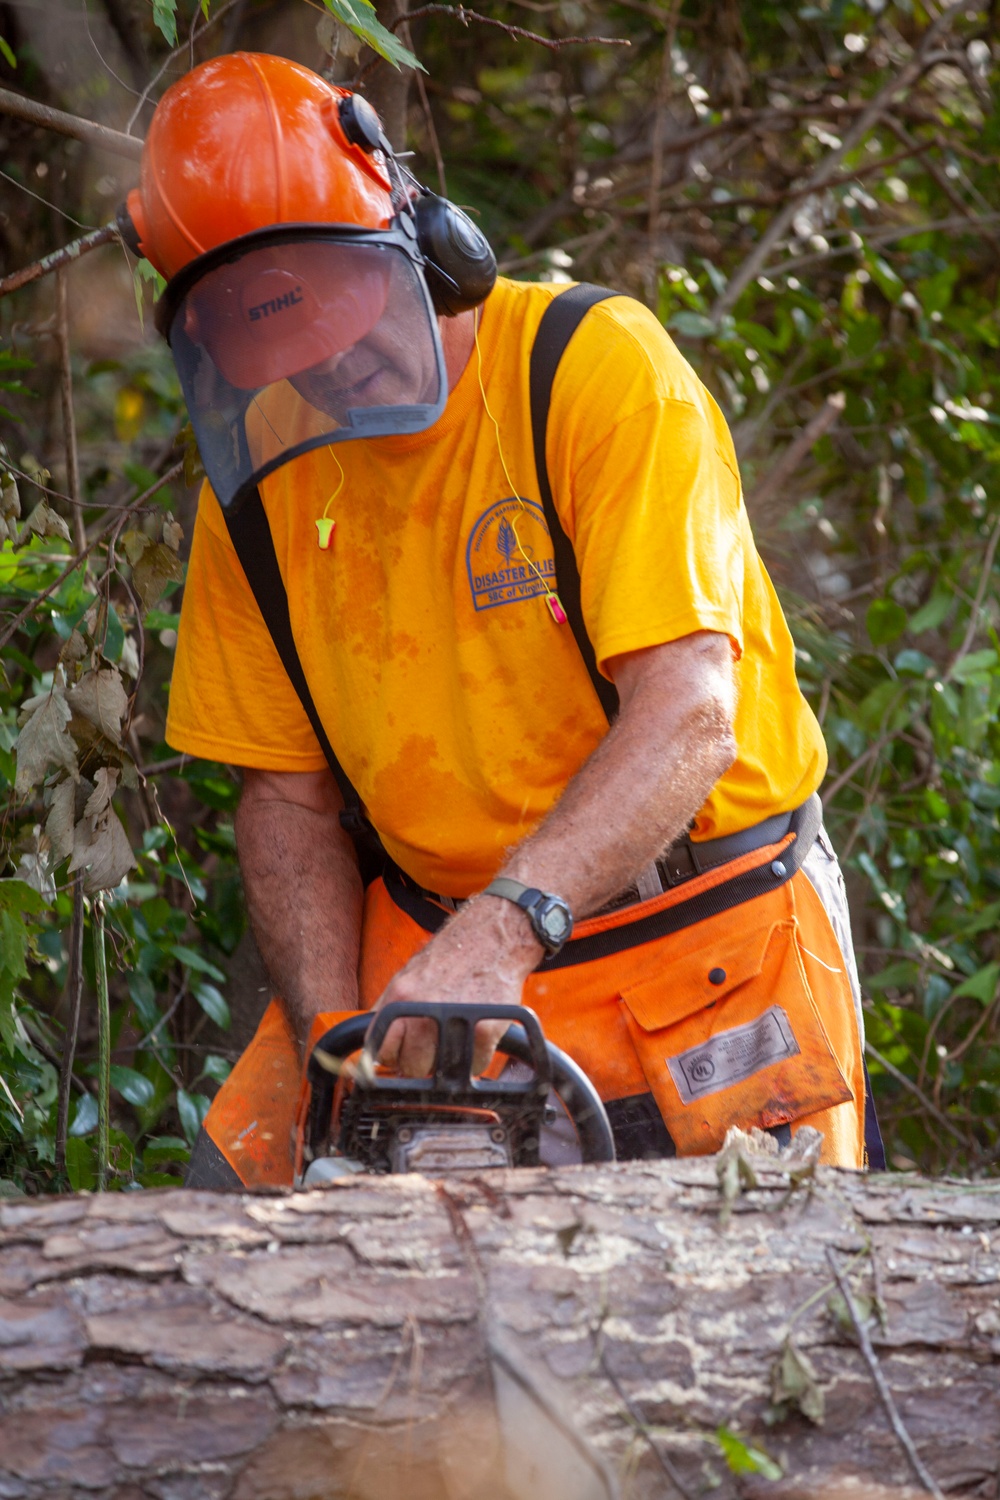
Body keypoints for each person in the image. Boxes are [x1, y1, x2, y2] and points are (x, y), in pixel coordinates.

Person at [123, 51, 880, 1186]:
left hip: (701, 933)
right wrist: (344, 1055)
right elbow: (283, 798)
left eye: (351, 312)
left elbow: (688, 710)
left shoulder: (586, 372)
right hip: (432, 960)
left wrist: (501, 930)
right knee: (235, 1237)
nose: (339, 366)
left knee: (749, 1315)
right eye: (295, 352)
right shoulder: (260, 482)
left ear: (423, 233)